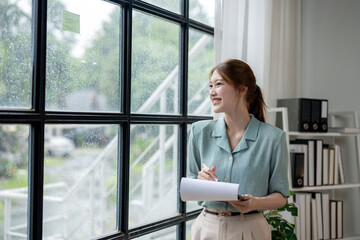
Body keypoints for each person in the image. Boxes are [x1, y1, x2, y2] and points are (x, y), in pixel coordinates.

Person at [187, 59, 289, 240]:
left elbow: (281, 196)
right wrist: (200, 181)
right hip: (206, 228)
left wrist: (256, 203)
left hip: (250, 230)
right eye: (210, 85)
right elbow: (190, 185)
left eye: (219, 84)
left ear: (242, 89)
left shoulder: (273, 138)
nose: (212, 92)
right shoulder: (199, 132)